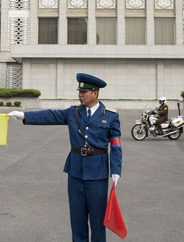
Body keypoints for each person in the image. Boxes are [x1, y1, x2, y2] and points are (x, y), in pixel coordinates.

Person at [8, 73, 122, 242]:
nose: (80, 95)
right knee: (77, 220)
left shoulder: (110, 116)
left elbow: (116, 145)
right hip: (75, 172)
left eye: (84, 92)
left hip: (97, 174)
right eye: (79, 91)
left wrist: (116, 169)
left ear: (95, 93)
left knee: (98, 222)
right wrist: (25, 115)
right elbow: (51, 115)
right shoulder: (73, 112)